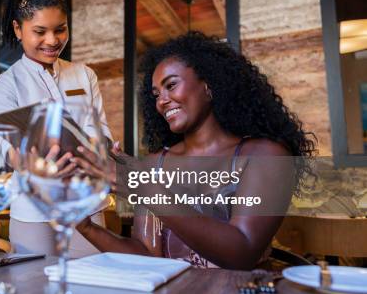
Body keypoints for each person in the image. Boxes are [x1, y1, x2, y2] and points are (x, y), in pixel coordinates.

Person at [74, 32, 316, 269]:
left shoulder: (264, 156)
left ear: (209, 84)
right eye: (156, 94)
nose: (161, 101)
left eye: (171, 85)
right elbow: (147, 256)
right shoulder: (154, 164)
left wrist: (146, 189)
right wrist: (86, 227)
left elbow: (243, 253)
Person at [0, 0, 112, 257]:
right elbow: (7, 152)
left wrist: (99, 148)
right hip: (33, 208)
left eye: (60, 29)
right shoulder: (5, 85)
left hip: (85, 203)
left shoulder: (84, 75)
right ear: (18, 29)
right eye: (40, 31)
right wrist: (31, 162)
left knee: (93, 288)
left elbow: (101, 131)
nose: (53, 40)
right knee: (31, 290)